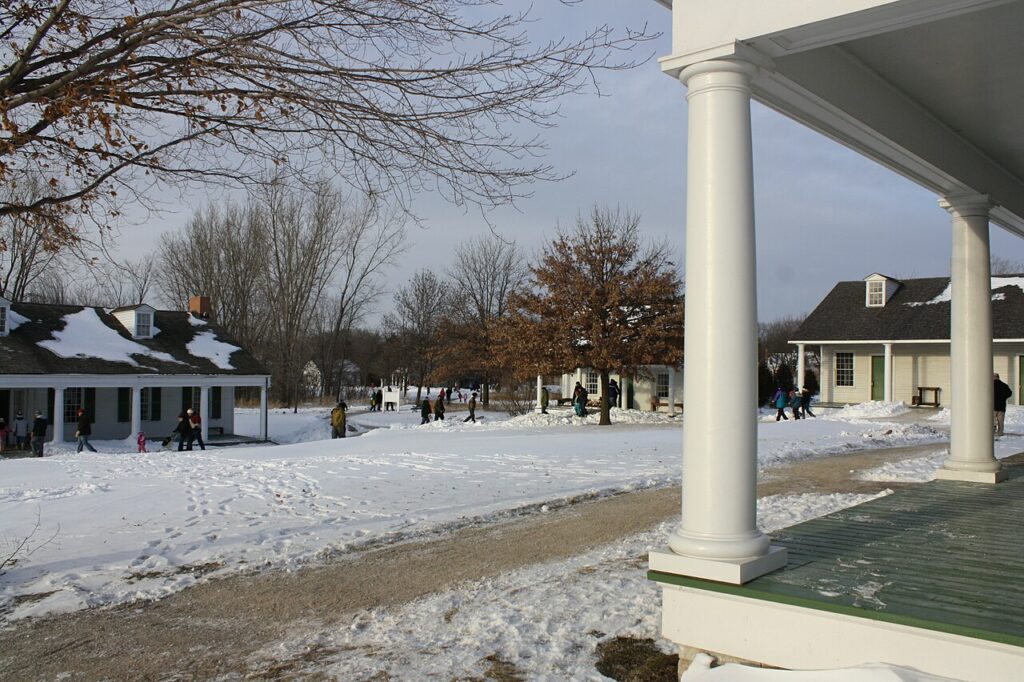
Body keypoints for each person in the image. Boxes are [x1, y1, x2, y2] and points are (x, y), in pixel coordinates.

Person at [994, 372, 1013, 437]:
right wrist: (1003, 397)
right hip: (1001, 406)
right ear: (998, 377)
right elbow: (1010, 393)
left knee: (992, 420)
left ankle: (992, 431)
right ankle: (1000, 432)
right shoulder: (1004, 385)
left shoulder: (989, 385)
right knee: (1000, 420)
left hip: (992, 406)